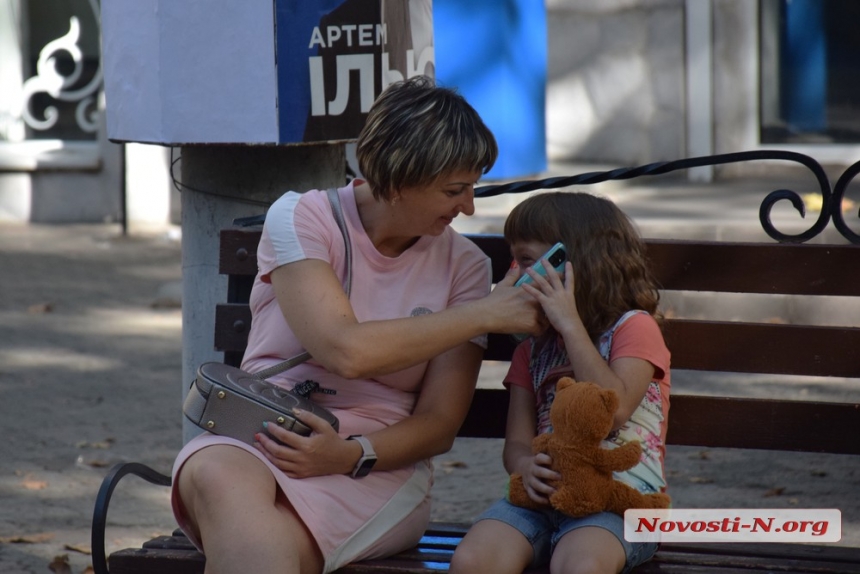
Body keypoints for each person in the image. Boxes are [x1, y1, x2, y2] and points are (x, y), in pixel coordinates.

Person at [170, 75, 544, 574]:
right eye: (454, 190)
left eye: (472, 187)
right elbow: (343, 350)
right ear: (395, 182)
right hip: (260, 433)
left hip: (374, 467)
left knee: (259, 544)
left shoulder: (465, 266)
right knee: (218, 476)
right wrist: (486, 313)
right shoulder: (302, 217)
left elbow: (437, 424)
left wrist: (347, 454)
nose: (469, 207)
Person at [449, 192, 671, 574]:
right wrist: (525, 467)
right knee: (473, 560)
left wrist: (569, 324)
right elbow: (517, 443)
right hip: (541, 502)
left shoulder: (634, 328)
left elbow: (614, 410)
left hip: (618, 504)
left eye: (527, 260)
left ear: (573, 262)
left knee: (581, 564)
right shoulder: (531, 352)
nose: (515, 273)